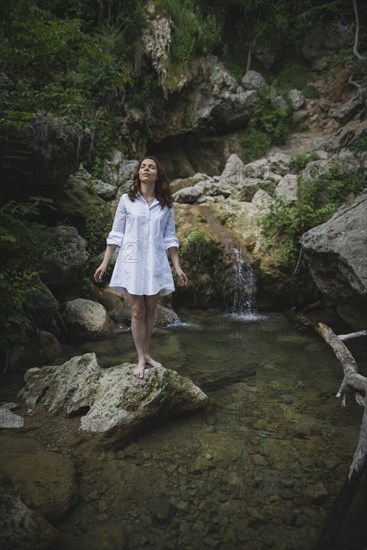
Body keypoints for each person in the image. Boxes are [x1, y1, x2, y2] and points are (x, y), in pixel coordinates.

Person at [94, 156, 188, 379]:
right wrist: (105, 261)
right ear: (138, 173)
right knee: (137, 311)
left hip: (155, 262)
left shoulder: (165, 204)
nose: (146, 169)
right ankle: (139, 358)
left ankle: (147, 354)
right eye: (143, 166)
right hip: (132, 262)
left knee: (151, 311)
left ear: (157, 174)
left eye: (151, 167)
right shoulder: (127, 200)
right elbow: (116, 233)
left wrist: (177, 267)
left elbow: (169, 238)